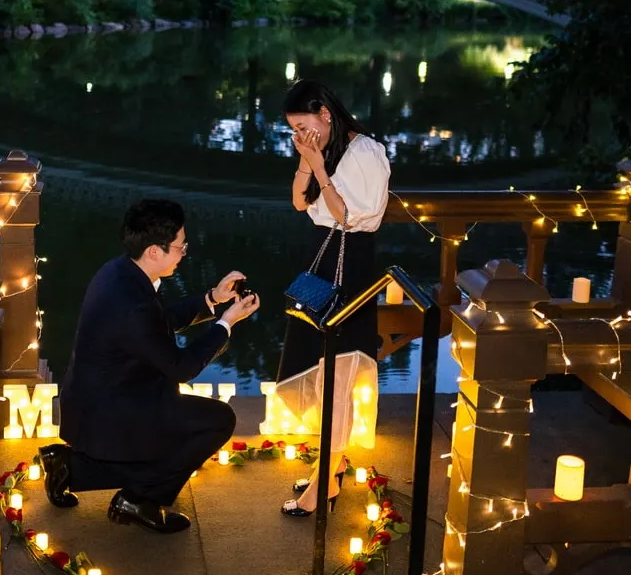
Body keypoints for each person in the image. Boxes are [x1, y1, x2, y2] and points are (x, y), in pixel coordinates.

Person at [41, 200, 260, 533]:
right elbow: (181, 367)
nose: (184, 252)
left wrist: (213, 299)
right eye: (180, 247)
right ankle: (139, 499)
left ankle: (71, 468)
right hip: (113, 410)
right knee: (217, 421)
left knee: (172, 441)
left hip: (103, 398)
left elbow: (160, 322)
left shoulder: (119, 271)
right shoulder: (134, 303)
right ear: (155, 251)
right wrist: (228, 322)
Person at [276, 80, 391, 517]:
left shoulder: (365, 153)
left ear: (325, 113)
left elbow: (349, 217)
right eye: (295, 130)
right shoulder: (325, 149)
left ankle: (324, 483)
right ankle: (332, 464)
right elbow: (299, 205)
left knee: (339, 374)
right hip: (323, 257)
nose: (305, 135)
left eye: (307, 126)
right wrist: (308, 163)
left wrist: (320, 167)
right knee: (324, 371)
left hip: (351, 264)